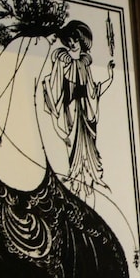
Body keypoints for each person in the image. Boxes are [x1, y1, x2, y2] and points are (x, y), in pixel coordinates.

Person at [42, 19, 116, 206]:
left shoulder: (85, 62)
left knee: (88, 149)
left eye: (76, 39)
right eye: (70, 39)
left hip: (85, 110)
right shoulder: (62, 60)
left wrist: (110, 76)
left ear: (82, 40)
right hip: (71, 109)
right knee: (73, 147)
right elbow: (55, 85)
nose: (72, 43)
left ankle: (90, 179)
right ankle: (75, 180)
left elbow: (92, 90)